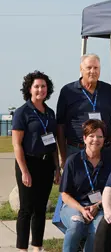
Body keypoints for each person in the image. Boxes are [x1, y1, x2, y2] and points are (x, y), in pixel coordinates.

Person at [12, 71, 60, 252]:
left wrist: (57, 168)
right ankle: (22, 248)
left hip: (46, 164)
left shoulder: (50, 113)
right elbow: (16, 144)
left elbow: (53, 142)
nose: (40, 90)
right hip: (28, 163)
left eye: (43, 86)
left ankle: (37, 247)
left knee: (40, 208)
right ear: (30, 89)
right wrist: (24, 171)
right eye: (37, 86)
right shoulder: (22, 112)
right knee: (26, 208)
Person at [56, 53, 111, 167]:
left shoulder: (108, 90)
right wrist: (63, 156)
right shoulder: (68, 91)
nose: (92, 71)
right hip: (76, 150)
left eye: (96, 68)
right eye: (89, 68)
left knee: (104, 184)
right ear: (81, 69)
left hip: (103, 150)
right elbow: (60, 125)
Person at [59, 119, 111, 252]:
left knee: (98, 230)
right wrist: (82, 209)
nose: (95, 140)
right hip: (74, 206)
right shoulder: (73, 161)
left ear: (104, 140)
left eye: (100, 136)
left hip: (101, 206)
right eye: (91, 136)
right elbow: (64, 194)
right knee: (76, 224)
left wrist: (97, 206)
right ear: (84, 138)